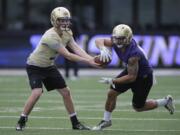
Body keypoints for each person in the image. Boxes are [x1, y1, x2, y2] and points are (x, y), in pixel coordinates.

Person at [16, 7, 99, 131]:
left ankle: (75, 123)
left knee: (66, 92)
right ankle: (22, 120)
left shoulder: (67, 32)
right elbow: (68, 55)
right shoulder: (50, 36)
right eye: (61, 20)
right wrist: (88, 61)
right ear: (54, 20)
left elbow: (76, 48)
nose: (65, 23)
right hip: (35, 66)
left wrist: (91, 58)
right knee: (37, 92)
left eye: (66, 20)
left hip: (49, 66)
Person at [92, 24, 175, 130]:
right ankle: (106, 120)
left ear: (128, 38)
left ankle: (165, 101)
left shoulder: (133, 54)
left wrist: (112, 80)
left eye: (121, 39)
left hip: (143, 77)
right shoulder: (116, 41)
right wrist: (102, 49)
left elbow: (131, 78)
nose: (118, 41)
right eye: (116, 38)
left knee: (138, 107)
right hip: (131, 71)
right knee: (111, 93)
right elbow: (99, 40)